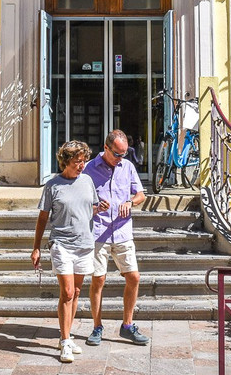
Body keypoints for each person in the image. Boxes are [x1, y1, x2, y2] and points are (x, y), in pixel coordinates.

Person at [32, 140, 108, 363]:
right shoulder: (52, 186)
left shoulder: (87, 181)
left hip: (85, 244)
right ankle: (65, 341)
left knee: (75, 292)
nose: (81, 165)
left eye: (83, 160)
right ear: (65, 161)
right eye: (77, 161)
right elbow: (42, 219)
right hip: (61, 244)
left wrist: (99, 208)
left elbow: (88, 209)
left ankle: (67, 334)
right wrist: (36, 247)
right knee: (66, 292)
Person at [83, 129, 150, 346]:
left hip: (122, 231)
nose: (120, 158)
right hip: (98, 231)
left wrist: (130, 202)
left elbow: (141, 194)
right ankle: (97, 326)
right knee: (98, 280)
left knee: (134, 277)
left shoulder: (128, 167)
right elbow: (80, 200)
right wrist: (94, 207)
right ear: (106, 148)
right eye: (117, 154)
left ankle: (128, 325)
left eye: (124, 154)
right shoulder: (88, 170)